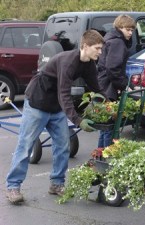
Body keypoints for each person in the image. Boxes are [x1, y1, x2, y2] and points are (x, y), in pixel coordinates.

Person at [6, 29, 105, 204]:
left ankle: (56, 184)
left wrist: (110, 102)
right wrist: (78, 121)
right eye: (97, 48)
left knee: (63, 145)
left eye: (101, 48)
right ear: (85, 46)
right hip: (38, 103)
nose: (100, 52)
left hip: (56, 107)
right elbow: (64, 95)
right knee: (25, 146)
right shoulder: (68, 61)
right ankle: (13, 187)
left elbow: (96, 88)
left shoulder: (89, 64)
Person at [97, 14, 136, 148]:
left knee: (104, 126)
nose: (130, 33)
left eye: (132, 30)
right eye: (128, 29)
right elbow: (113, 68)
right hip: (109, 88)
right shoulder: (117, 42)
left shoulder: (109, 38)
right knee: (110, 126)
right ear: (119, 27)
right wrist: (126, 86)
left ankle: (99, 155)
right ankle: (106, 157)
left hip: (103, 85)